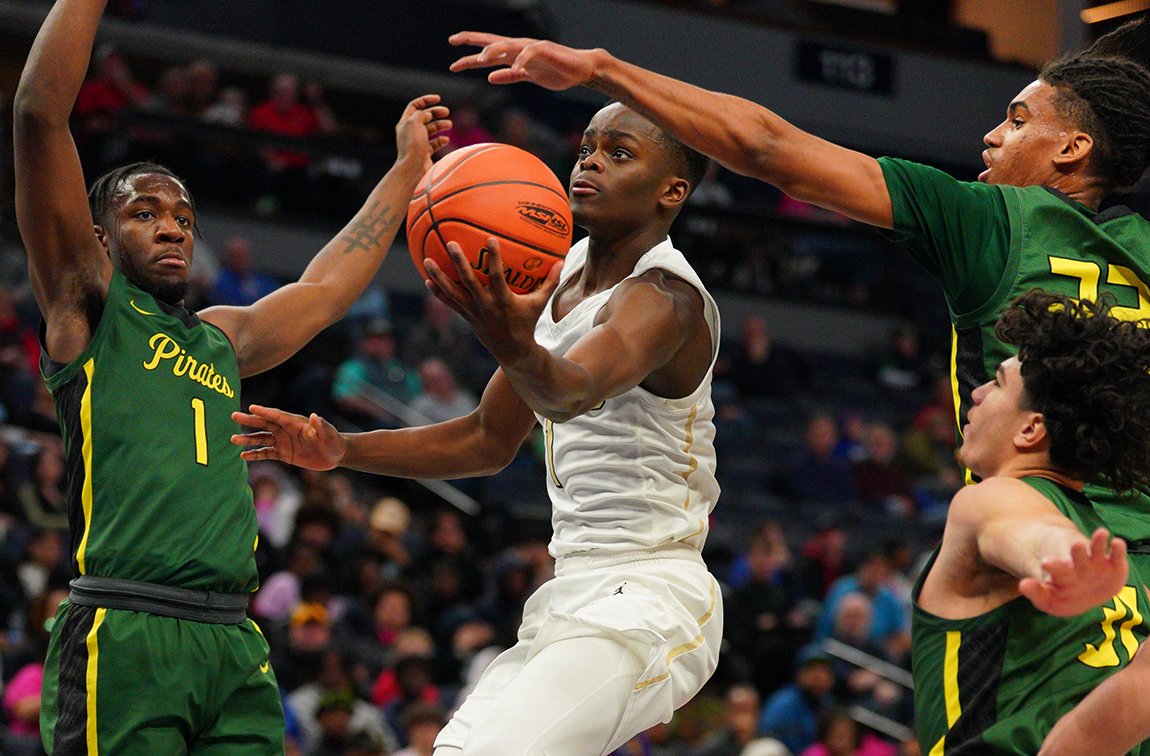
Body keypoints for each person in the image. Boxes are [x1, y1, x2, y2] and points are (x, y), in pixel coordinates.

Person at [445, 18, 1150, 565]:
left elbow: (766, 148)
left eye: (1018, 121)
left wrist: (602, 70)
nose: (992, 137)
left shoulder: (991, 220)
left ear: (1072, 150)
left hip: (1030, 553)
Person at [12, 0, 451, 751]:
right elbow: (38, 114)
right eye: (145, 213)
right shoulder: (88, 307)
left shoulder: (220, 339)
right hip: (128, 622)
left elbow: (325, 289)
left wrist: (408, 169)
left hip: (233, 641)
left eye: (184, 218)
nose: (172, 226)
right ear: (99, 240)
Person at [233, 100, 722, 754]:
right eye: (587, 148)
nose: (591, 163)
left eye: (619, 153)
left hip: (652, 597)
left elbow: (570, 392)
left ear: (672, 191)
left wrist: (511, 341)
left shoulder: (666, 299)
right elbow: (486, 439)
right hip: (571, 591)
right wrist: (342, 449)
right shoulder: (560, 274)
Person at [911, 291, 1150, 753]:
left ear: (1030, 428)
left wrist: (1061, 560)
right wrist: (1057, 558)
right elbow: (1030, 531)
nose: (976, 393)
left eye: (997, 383)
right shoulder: (1011, 507)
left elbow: (1032, 529)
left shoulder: (1003, 499)